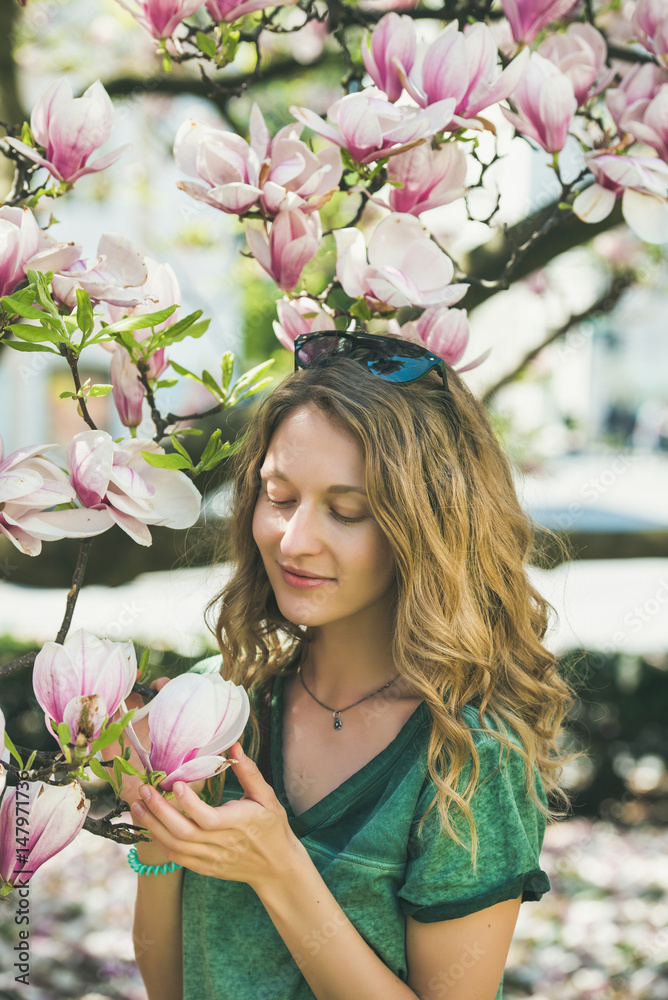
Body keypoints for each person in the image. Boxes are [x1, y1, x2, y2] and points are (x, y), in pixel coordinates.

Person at [119, 332, 576, 1000]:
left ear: (428, 526)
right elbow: (172, 985)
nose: (294, 540)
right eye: (278, 498)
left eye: (348, 510)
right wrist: (156, 834)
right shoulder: (212, 705)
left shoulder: (469, 756)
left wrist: (279, 870)